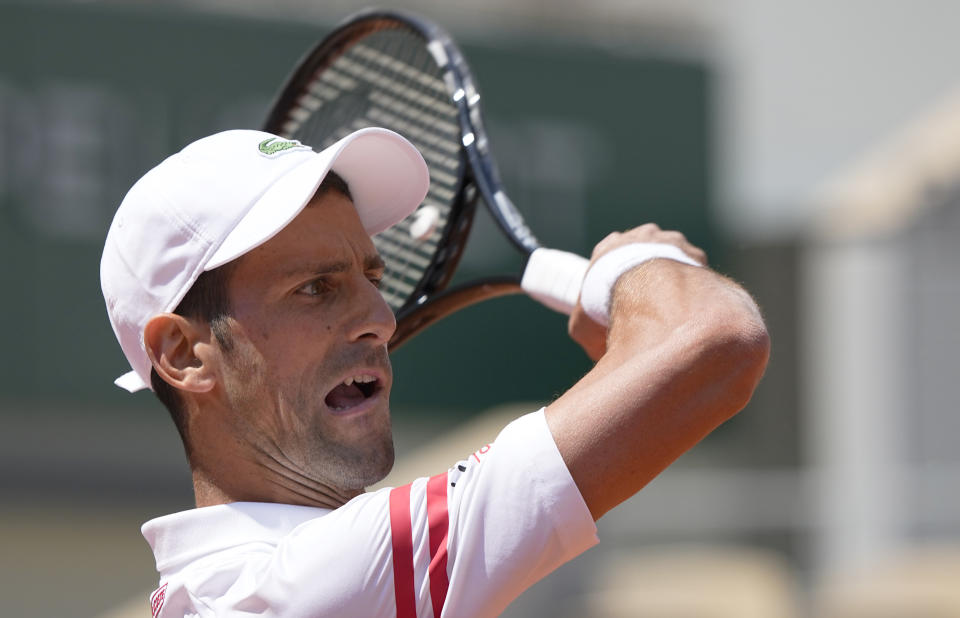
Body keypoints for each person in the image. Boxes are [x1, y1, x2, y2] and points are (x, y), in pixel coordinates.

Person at [100, 126, 770, 618]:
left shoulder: (238, 591)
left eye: (372, 276)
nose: (381, 319)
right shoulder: (305, 589)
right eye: (314, 288)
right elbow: (715, 340)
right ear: (185, 354)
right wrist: (638, 264)